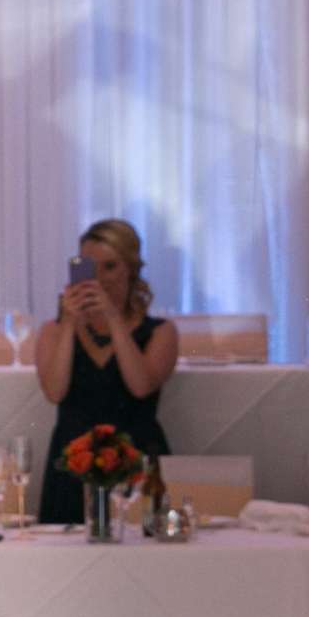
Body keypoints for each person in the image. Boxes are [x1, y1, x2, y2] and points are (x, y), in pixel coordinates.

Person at [35, 217, 179, 523]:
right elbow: (54, 391)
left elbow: (141, 385)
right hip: (73, 459)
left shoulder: (161, 332)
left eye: (110, 266)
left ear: (131, 269)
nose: (99, 278)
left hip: (136, 456)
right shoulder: (53, 331)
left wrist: (113, 317)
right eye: (89, 267)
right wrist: (70, 322)